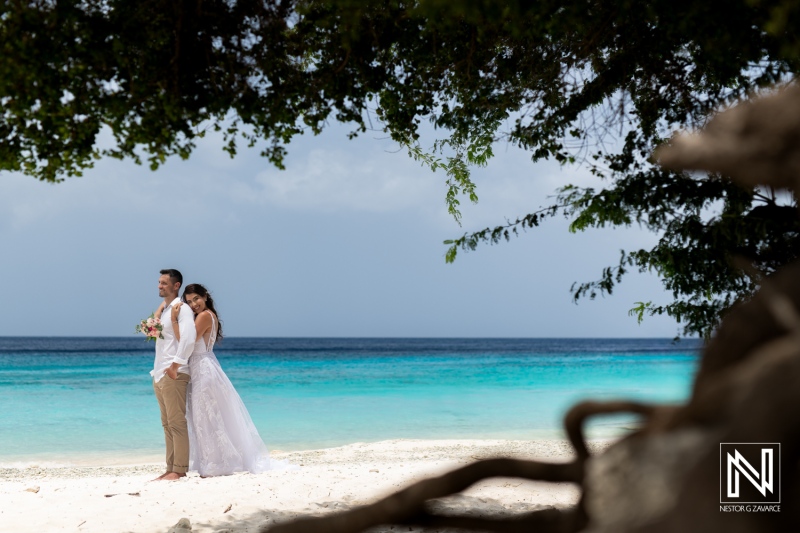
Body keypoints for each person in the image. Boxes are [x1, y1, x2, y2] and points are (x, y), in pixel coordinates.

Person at [169, 283, 294, 476]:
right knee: (206, 416)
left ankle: (216, 464)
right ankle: (214, 462)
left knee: (206, 416)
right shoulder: (209, 315)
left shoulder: (203, 316)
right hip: (204, 367)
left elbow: (185, 343)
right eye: (189, 302)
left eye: (196, 299)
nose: (194, 304)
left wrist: (174, 321)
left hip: (203, 369)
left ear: (205, 296)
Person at [151, 269, 197, 481]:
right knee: (166, 423)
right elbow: (152, 332)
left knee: (177, 422)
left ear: (176, 285)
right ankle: (170, 468)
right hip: (160, 371)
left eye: (164, 283)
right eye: (159, 283)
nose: (159, 286)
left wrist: (175, 366)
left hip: (173, 371)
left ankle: (179, 469)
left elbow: (188, 338)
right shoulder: (166, 309)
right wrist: (158, 313)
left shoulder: (182, 309)